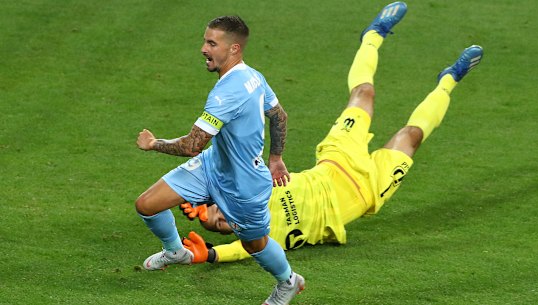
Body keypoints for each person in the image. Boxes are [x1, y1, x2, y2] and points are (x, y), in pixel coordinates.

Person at [180, 2, 484, 264]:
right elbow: (239, 251)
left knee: (364, 93)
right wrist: (209, 254)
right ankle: (450, 80)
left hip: (336, 162)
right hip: (364, 193)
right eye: (223, 226)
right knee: (411, 135)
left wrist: (200, 194)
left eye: (219, 214)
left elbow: (221, 166)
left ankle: (373, 35)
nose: (225, 221)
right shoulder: (260, 235)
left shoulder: (250, 186)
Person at [135, 15, 304, 305]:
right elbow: (278, 115)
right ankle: (176, 252)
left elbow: (191, 146)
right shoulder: (253, 76)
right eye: (205, 40)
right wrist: (276, 156)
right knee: (147, 205)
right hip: (214, 165)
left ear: (234, 48)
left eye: (212, 43)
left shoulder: (227, 93)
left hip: (243, 185)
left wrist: (153, 144)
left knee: (255, 245)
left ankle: (288, 282)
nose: (203, 48)